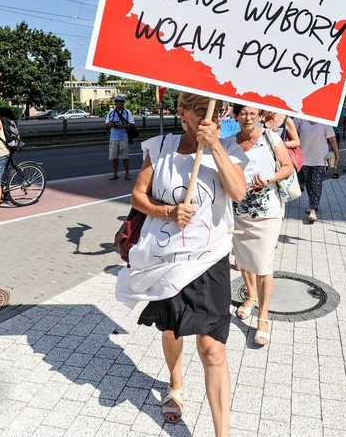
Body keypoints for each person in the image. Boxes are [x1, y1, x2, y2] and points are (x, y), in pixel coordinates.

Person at [114, 93, 247, 435]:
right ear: (182, 113)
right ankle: (176, 381)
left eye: (217, 112)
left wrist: (215, 146)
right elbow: (137, 197)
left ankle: (223, 433)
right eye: (201, 110)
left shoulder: (229, 148)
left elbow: (239, 192)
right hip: (165, 258)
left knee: (212, 348)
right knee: (172, 330)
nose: (210, 117)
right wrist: (168, 212)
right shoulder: (159, 148)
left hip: (209, 259)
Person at [232, 105, 293, 346]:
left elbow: (288, 166)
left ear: (260, 115)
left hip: (268, 211)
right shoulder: (228, 142)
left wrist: (269, 179)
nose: (248, 117)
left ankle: (263, 316)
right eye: (243, 113)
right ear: (236, 116)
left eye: (253, 113)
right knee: (243, 258)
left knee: (263, 263)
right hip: (238, 211)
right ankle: (250, 297)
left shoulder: (270, 137)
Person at [295, 119, 338, 223]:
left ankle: (313, 210)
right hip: (305, 158)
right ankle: (313, 205)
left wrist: (337, 156)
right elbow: (291, 129)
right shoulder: (300, 119)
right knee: (309, 184)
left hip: (320, 159)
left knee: (317, 183)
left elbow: (332, 139)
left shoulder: (324, 121)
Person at [105, 95, 135, 180]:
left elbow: (132, 124)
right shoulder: (111, 113)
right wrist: (112, 124)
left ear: (122, 103)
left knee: (125, 157)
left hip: (123, 137)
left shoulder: (127, 112)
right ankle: (115, 174)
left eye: (119, 101)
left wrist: (122, 126)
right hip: (113, 138)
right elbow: (106, 124)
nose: (117, 103)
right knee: (114, 158)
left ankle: (127, 173)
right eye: (116, 101)